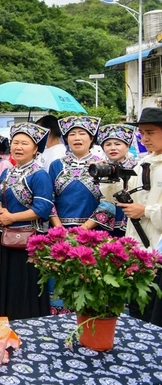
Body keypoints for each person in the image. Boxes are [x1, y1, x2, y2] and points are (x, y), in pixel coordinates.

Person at [101, 108, 162, 325]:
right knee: (138, 307)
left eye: (150, 132)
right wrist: (111, 181)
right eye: (142, 133)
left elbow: (142, 207)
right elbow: (119, 197)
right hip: (139, 248)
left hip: (157, 249)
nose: (145, 138)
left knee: (156, 310)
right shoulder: (143, 163)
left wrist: (144, 211)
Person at [0, 123, 54, 320]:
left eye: (25, 143)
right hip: (7, 238)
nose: (18, 147)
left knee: (27, 283)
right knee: (9, 281)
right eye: (15, 142)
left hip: (31, 240)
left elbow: (43, 208)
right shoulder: (7, 172)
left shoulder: (40, 174)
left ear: (36, 148)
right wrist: (1, 210)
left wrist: (12, 217)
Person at [48, 116, 110, 230]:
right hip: (60, 231)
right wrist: (59, 228)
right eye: (72, 134)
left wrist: (84, 229)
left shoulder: (102, 166)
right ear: (66, 139)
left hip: (93, 231)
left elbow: (108, 203)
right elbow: (48, 199)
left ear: (91, 138)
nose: (77, 138)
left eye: (82, 133)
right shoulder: (56, 165)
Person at [94, 124, 137, 236]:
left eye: (118, 144)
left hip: (132, 222)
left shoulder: (138, 167)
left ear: (127, 146)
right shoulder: (100, 168)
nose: (113, 148)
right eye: (108, 144)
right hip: (105, 225)